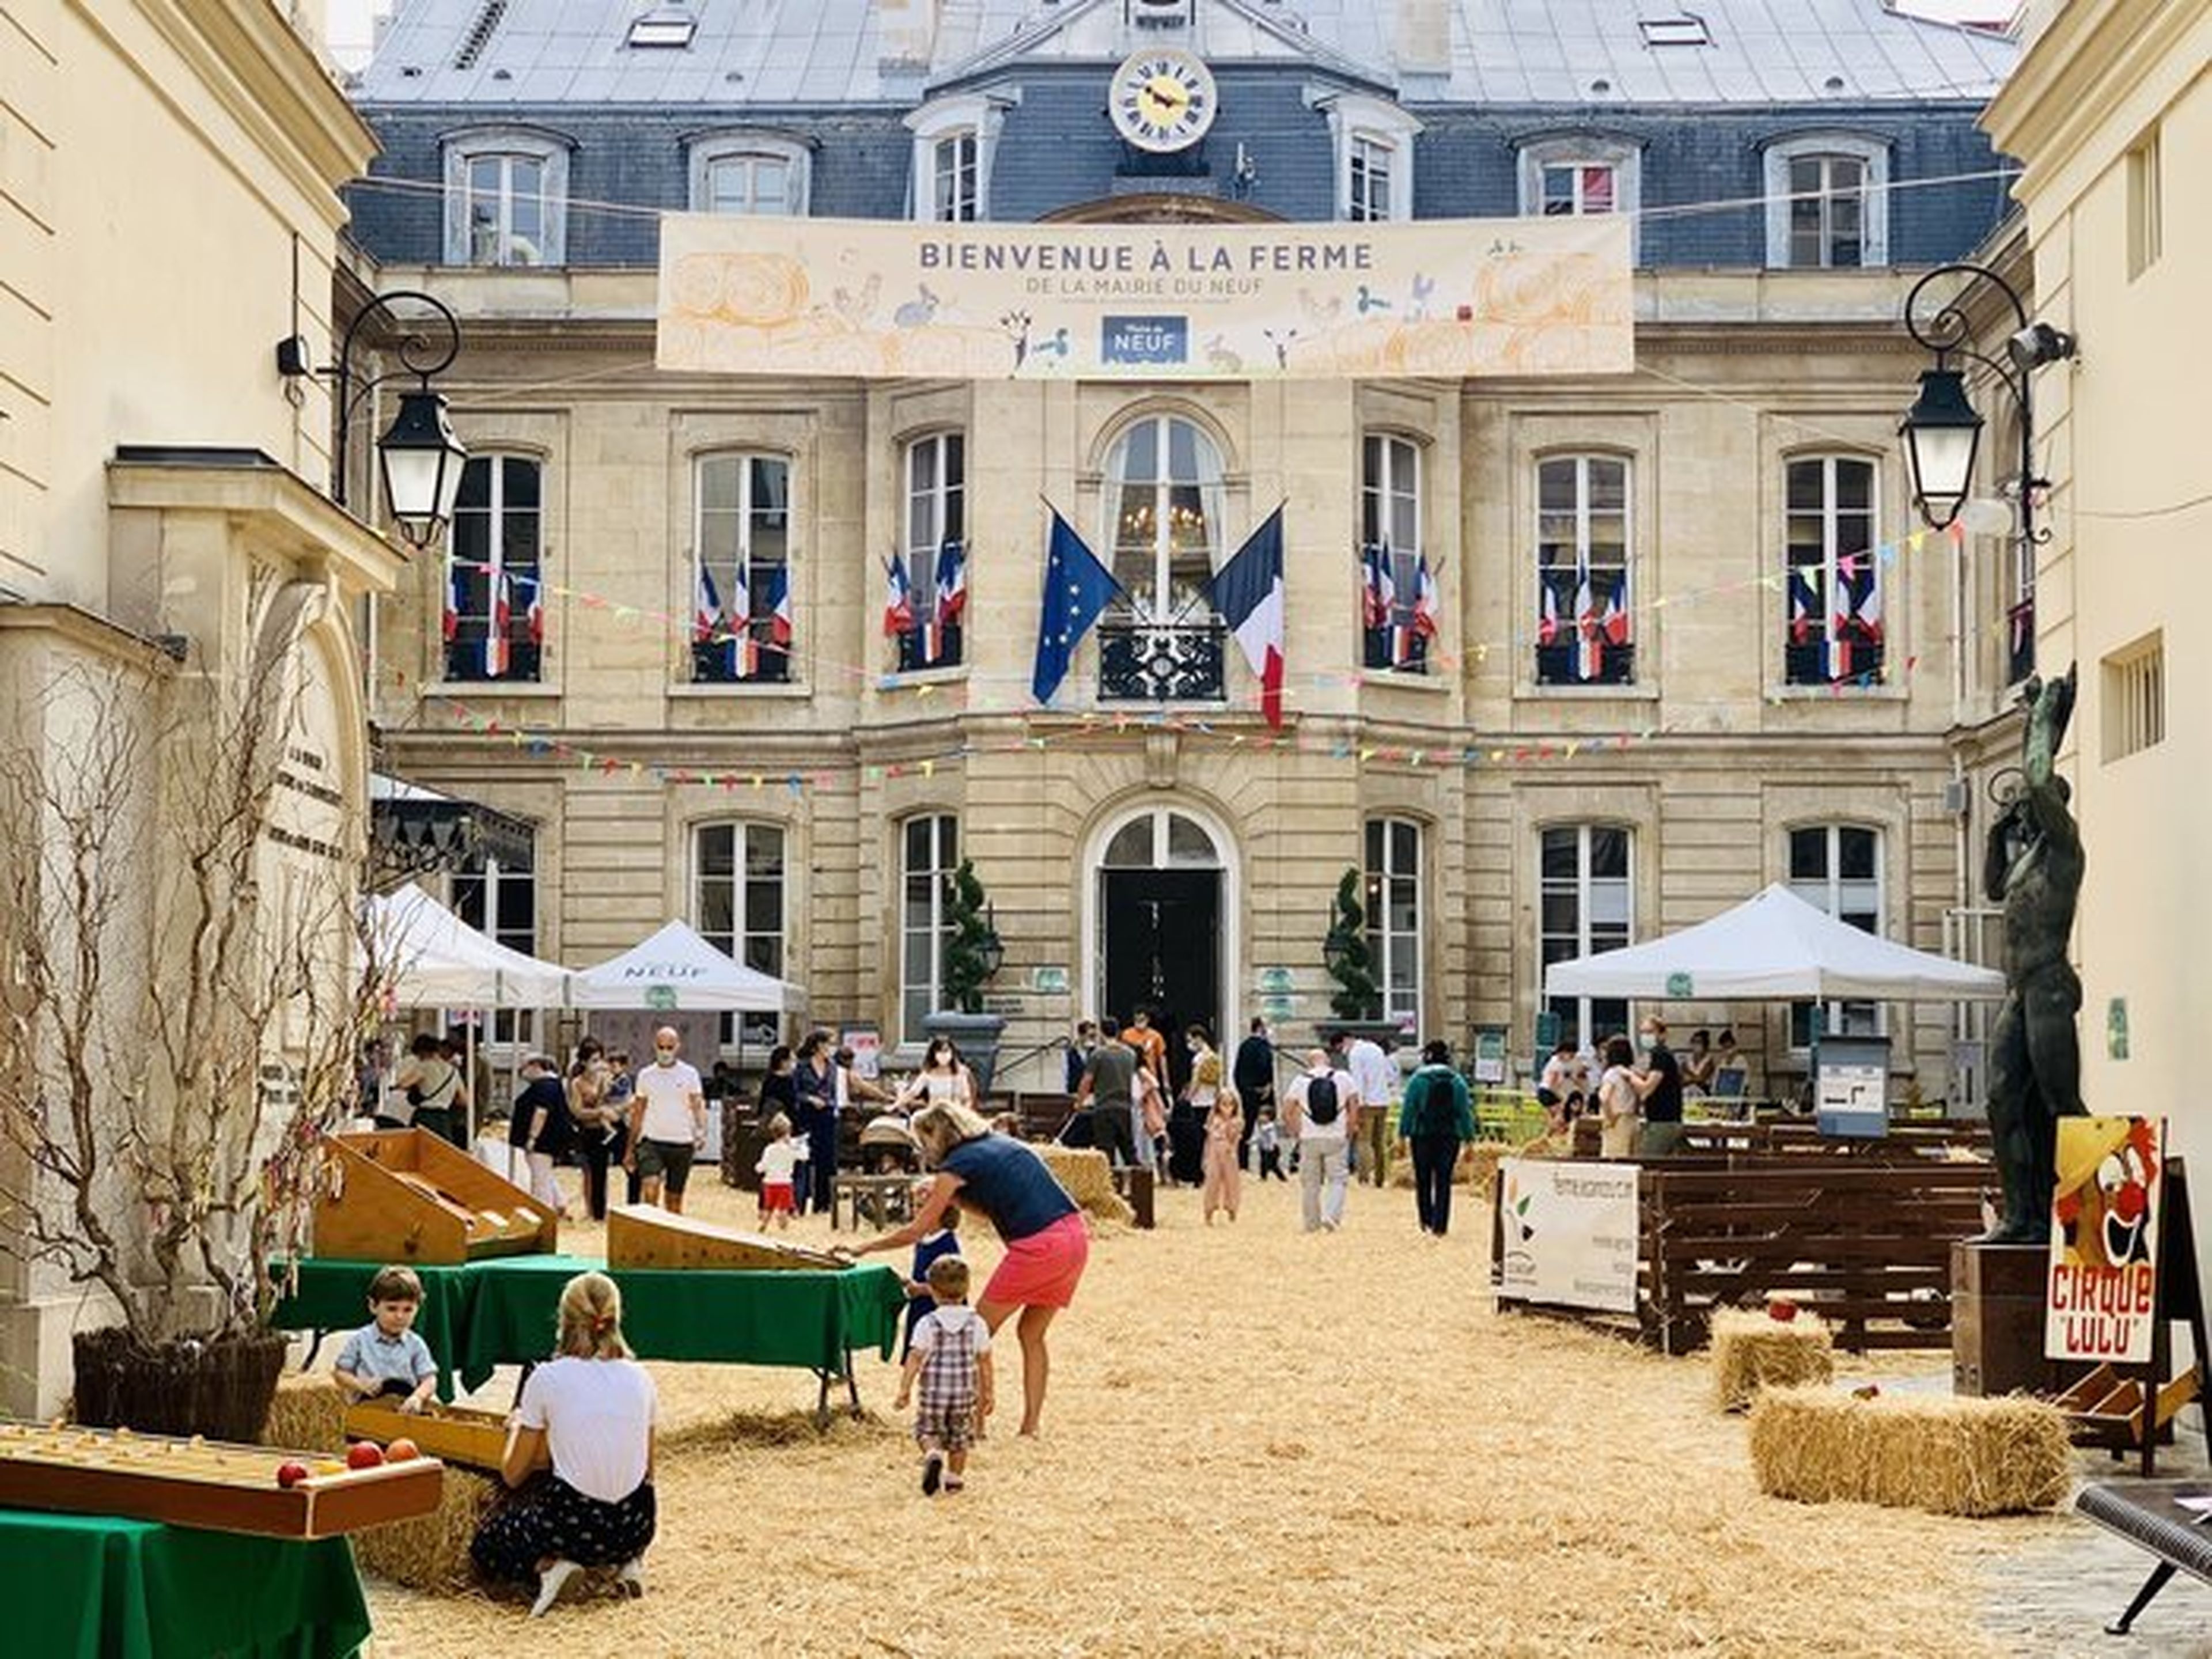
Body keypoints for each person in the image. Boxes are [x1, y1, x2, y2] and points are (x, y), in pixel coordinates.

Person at [844, 1103, 1089, 1437]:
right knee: (1032, 1335)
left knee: (971, 1334)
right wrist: (950, 1197)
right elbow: (995, 1205)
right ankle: (1030, 1426)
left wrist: (864, 1247)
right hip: (1075, 1238)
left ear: (935, 1136)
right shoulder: (999, 1144)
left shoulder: (956, 1165)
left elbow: (916, 1231)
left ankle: (974, 1427)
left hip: (1038, 1247)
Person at [471, 1272, 657, 1618]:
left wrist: (518, 1424)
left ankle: (551, 1565)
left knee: (486, 1545)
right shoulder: (643, 1377)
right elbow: (649, 1471)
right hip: (636, 1525)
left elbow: (513, 1475)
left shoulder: (546, 1377)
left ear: (563, 1319)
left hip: (572, 1525)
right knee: (618, 1505)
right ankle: (627, 1562)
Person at [896, 1254, 994, 1496]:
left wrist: (904, 1390)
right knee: (960, 1437)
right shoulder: (977, 1323)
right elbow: (985, 1361)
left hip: (934, 1394)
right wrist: (988, 1393)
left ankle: (932, 1454)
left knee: (927, 1432)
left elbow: (915, 1357)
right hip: (964, 1394)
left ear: (933, 1291)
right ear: (967, 1288)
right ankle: (954, 1478)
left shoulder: (927, 1323)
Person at [332, 1264, 437, 1412]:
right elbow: (340, 1373)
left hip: (404, 1410)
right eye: (392, 1309)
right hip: (367, 1408)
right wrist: (360, 1384)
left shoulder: (416, 1344)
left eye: (408, 1310)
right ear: (373, 1306)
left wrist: (418, 1397)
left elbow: (429, 1379)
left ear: (417, 1309)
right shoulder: (360, 1340)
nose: (400, 1316)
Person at [623, 1027, 706, 1214]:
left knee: (674, 1200)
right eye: (661, 1047)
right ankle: (650, 1228)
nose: (665, 1052)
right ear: (655, 1047)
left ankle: (671, 1231)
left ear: (678, 1047)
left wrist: (701, 1130)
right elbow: (638, 1112)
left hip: (682, 1142)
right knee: (650, 1188)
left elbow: (698, 1104)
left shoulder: (690, 1074)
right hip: (652, 1141)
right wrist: (630, 1148)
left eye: (670, 1047)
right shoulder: (646, 1075)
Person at [1398, 1040, 1476, 1237]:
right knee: (1443, 1180)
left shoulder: (1418, 1080)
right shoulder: (1457, 1081)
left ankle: (1426, 1221)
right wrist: (1469, 1139)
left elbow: (1409, 1110)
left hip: (1422, 1135)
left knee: (1423, 1179)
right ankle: (1440, 1225)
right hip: (1449, 1136)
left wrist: (1402, 1135)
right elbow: (1464, 1112)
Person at [1283, 1048, 1361, 1233]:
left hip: (1310, 1137)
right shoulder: (1343, 1078)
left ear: (1309, 1063)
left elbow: (1287, 1111)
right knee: (1337, 1179)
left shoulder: (1300, 1081)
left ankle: (1311, 1224)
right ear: (1328, 1060)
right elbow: (1354, 1105)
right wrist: (1349, 1129)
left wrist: (1296, 1133)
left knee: (1310, 1183)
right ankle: (1331, 1216)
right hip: (1336, 1135)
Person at [510, 1055, 574, 1218]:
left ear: (536, 1066)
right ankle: (559, 1202)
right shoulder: (552, 1085)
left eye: (524, 1068)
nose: (522, 1073)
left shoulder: (544, 1087)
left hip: (543, 1140)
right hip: (549, 1138)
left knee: (540, 1180)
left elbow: (541, 1113)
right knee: (544, 1173)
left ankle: (544, 1213)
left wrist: (533, 1137)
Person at [1070, 1019, 1140, 1171]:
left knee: (1106, 1153)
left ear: (1102, 1033)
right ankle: (1139, 1181)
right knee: (1129, 1151)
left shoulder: (1098, 1055)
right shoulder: (1130, 1054)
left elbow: (1087, 1081)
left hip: (1104, 1108)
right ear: (1118, 1032)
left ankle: (1110, 1183)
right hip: (1125, 1108)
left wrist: (1079, 1103)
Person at [902, 1197, 964, 1357]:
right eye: (915, 1205)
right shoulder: (922, 1239)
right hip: (920, 1308)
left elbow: (954, 1285)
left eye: (921, 1206)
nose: (916, 1210)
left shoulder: (947, 1243)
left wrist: (921, 1289)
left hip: (942, 1311)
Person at [1337, 1029, 1399, 1188]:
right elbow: (1389, 1076)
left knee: (1364, 1141)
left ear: (1345, 1041)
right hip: (1383, 1101)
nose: (1342, 1051)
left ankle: (1364, 1177)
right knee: (1379, 1142)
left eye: (1340, 1047)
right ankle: (1380, 1178)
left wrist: (1356, 1107)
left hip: (1367, 1103)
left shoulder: (1355, 1054)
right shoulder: (1376, 1049)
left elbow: (1358, 1082)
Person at [793, 1031, 840, 1215]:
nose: (831, 1048)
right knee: (805, 1158)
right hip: (807, 1115)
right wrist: (810, 1099)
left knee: (827, 1160)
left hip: (827, 1116)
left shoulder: (832, 1066)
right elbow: (795, 1092)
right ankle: (802, 1200)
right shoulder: (802, 1067)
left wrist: (830, 1104)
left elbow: (833, 1092)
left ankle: (824, 1203)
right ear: (819, 1045)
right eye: (829, 1044)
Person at [391, 1032, 461, 1143]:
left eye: (419, 1055)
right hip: (444, 1120)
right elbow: (463, 1100)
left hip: (425, 1118)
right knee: (441, 1150)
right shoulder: (454, 1072)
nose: (419, 1058)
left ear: (423, 1052)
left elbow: (403, 1084)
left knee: (419, 1150)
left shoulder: (424, 1067)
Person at [1633, 1017, 1687, 1158]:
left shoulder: (1661, 1055)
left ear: (1662, 1034)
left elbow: (1647, 1089)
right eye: (1643, 1032)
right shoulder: (1657, 1056)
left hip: (1663, 1123)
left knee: (1645, 1161)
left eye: (1650, 1032)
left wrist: (1629, 1076)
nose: (1645, 1037)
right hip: (1665, 1121)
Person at [1232, 1017, 1277, 1164]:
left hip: (1247, 1092)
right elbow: (1265, 1066)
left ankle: (1243, 1162)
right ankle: (1268, 1163)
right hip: (1263, 1091)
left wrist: (1243, 1090)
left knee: (1247, 1127)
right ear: (1260, 1028)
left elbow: (1237, 1073)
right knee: (1267, 1128)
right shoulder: (1263, 1046)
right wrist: (1268, 1085)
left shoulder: (1244, 1046)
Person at [1200, 1082, 1243, 1224]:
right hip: (1214, 1155)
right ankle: (1209, 1212)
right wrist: (1206, 1157)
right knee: (1212, 1183)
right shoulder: (1214, 1120)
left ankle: (1232, 1210)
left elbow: (1235, 1140)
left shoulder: (1237, 1122)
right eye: (1224, 1104)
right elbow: (1208, 1139)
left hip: (1229, 1155)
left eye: (1231, 1104)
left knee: (1232, 1183)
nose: (1227, 1108)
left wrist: (1233, 1145)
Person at [896, 1036, 975, 1112]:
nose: (943, 1055)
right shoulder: (928, 1073)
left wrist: (964, 1114)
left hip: (955, 1114)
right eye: (939, 1052)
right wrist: (896, 1105)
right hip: (934, 1115)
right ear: (934, 1054)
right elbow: (913, 1092)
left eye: (946, 1051)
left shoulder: (961, 1072)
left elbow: (967, 1098)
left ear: (952, 1053)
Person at [1595, 1035, 1641, 1160]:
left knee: (1615, 1158)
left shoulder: (1612, 1073)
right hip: (1631, 1118)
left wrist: (1610, 1119)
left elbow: (1604, 1097)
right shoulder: (1631, 1073)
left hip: (1617, 1118)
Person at [756, 1113, 800, 1229]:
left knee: (768, 1207)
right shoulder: (790, 1150)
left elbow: (763, 1165)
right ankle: (783, 1225)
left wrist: (758, 1168)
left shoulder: (769, 1149)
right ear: (788, 1133)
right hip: (785, 1183)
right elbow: (803, 1156)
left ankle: (764, 1223)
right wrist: (796, 1145)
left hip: (770, 1182)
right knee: (783, 1208)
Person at [1120, 1007, 1168, 1088]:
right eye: (1136, 1020)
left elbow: (1162, 1059)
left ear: (1148, 1020)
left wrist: (1166, 1081)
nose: (1139, 1022)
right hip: (1131, 1075)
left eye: (1142, 1019)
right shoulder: (1126, 1035)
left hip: (1151, 1075)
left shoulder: (1156, 1036)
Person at [1063, 1020, 1100, 1094]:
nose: (1093, 1040)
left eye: (1094, 1036)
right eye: (1091, 1036)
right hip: (1074, 1093)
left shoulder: (1096, 1053)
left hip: (1092, 1094)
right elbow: (1065, 1074)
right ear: (1081, 1035)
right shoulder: (1070, 1053)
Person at [1254, 1108, 1287, 1181]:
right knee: (1263, 1163)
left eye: (1263, 1115)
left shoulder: (1270, 1127)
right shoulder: (1259, 1125)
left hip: (1272, 1148)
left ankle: (1282, 1178)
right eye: (1260, 1115)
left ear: (1269, 1117)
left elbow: (1273, 1138)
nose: (1260, 1117)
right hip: (1263, 1147)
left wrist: (1272, 1147)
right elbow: (1257, 1136)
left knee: (1273, 1165)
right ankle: (1263, 1177)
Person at [1681, 1030, 1717, 1095]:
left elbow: (1702, 1079)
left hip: (1703, 1092)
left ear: (1705, 1045)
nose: (1696, 1045)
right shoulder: (1687, 1060)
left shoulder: (1708, 1061)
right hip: (1687, 1092)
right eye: (1694, 1042)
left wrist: (1690, 1078)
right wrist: (1695, 1079)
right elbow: (1682, 1078)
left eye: (1699, 1042)